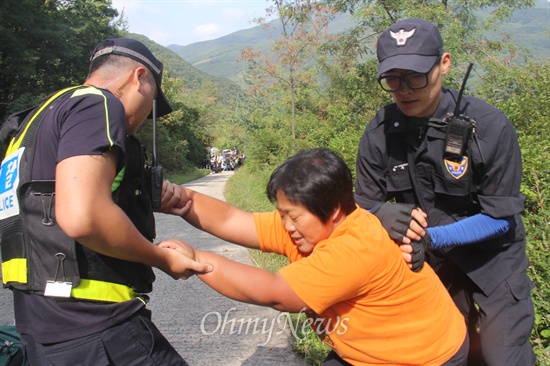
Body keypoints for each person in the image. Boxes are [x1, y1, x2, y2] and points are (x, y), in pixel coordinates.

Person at [0, 38, 210, 365]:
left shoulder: (36, 119)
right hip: (96, 327)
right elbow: (83, 216)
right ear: (139, 77)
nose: (145, 118)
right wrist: (162, 259)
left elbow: (48, 199)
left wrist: (138, 191)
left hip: (40, 327)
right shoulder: (98, 103)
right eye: (152, 101)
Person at [161, 147, 468, 366]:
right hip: (366, 351)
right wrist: (182, 200)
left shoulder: (353, 248)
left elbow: (276, 294)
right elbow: (234, 221)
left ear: (333, 209)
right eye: (281, 214)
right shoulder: (311, 224)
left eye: (292, 216)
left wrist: (197, 259)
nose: (286, 226)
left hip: (426, 356)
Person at [353, 18, 535, 365]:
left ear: (444, 64)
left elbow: (501, 218)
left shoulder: (491, 127)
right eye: (393, 79)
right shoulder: (379, 133)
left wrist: (432, 238)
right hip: (431, 266)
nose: (404, 89)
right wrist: (380, 214)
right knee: (445, 352)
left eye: (416, 76)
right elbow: (362, 208)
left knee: (502, 357)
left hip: (494, 261)